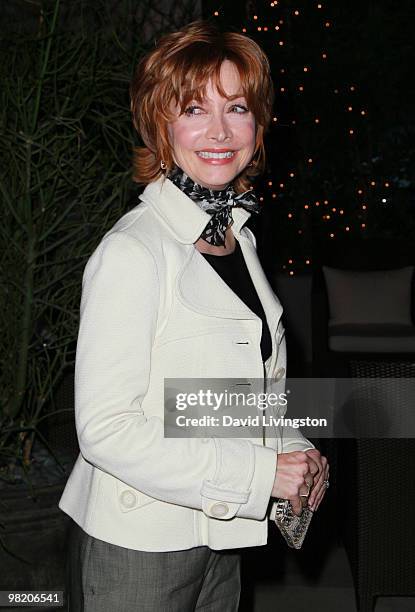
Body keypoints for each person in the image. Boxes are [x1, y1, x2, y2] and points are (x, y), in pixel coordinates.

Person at [60, 20, 329, 612]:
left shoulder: (238, 239)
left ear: (258, 125)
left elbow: (232, 391)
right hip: (144, 540)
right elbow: (106, 430)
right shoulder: (132, 252)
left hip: (222, 534)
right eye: (192, 109)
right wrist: (262, 477)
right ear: (160, 125)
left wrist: (290, 445)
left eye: (236, 107)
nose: (219, 131)